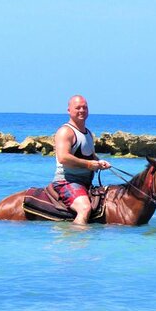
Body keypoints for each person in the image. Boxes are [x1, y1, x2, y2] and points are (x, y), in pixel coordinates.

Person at [52, 95, 111, 225]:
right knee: (85, 209)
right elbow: (63, 157)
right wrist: (89, 164)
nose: (82, 110)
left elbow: (90, 156)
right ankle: (77, 241)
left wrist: (100, 162)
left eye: (84, 107)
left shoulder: (88, 133)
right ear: (69, 110)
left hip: (86, 182)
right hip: (67, 181)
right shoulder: (65, 131)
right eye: (77, 108)